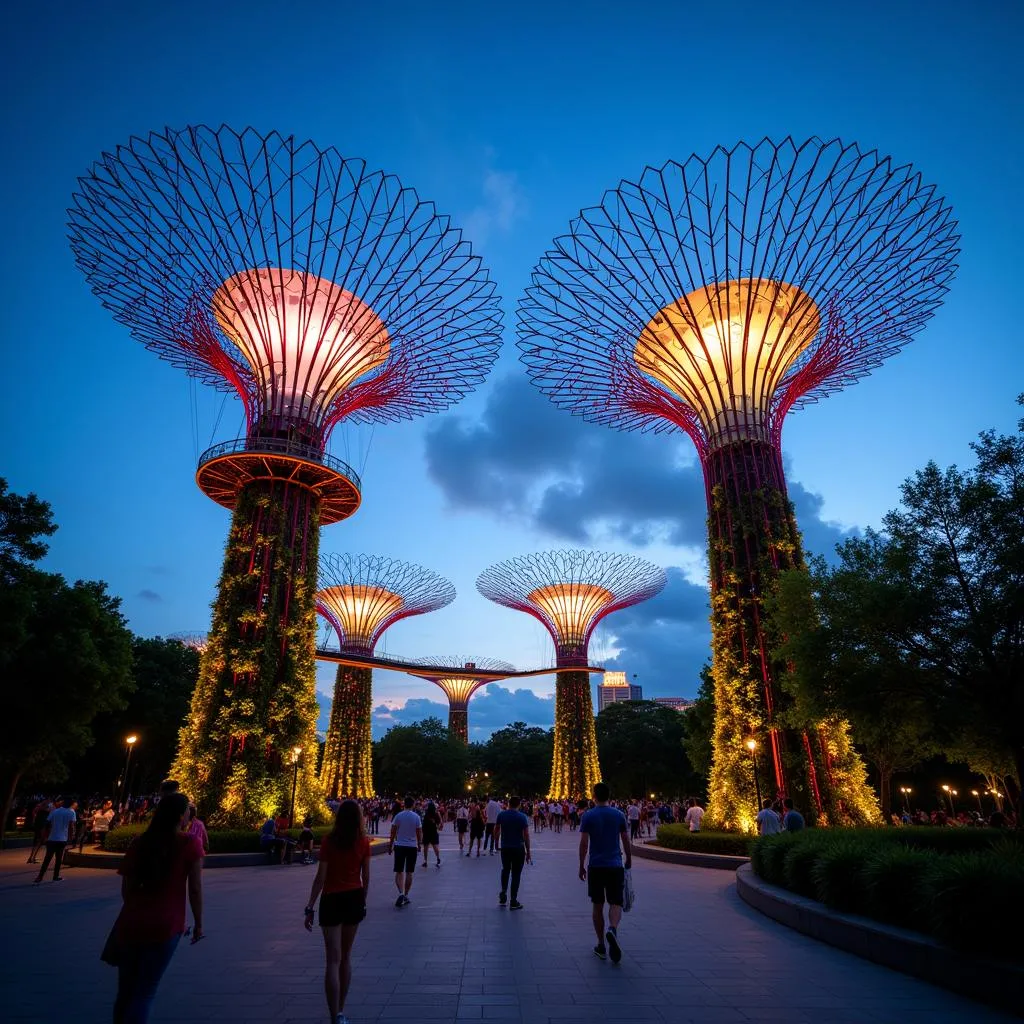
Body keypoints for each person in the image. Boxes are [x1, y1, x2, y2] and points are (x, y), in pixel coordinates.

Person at [107, 792, 203, 1024]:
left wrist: (135, 908)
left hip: (130, 923)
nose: (191, 813)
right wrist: (199, 923)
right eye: (188, 809)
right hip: (165, 924)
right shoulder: (190, 843)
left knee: (125, 992)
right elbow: (195, 889)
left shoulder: (140, 842)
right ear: (181, 815)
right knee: (145, 992)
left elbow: (126, 888)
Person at [304, 799, 371, 1024]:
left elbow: (320, 878)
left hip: (331, 899)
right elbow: (367, 877)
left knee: (332, 960)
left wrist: (309, 906)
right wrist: (363, 900)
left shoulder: (328, 842)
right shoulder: (363, 842)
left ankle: (333, 1015)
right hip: (354, 897)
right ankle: (341, 1011)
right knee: (346, 957)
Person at [578, 782, 631, 964]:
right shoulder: (618, 815)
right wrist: (628, 859)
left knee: (597, 904)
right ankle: (612, 929)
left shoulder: (588, 816)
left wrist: (581, 865)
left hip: (596, 865)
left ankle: (601, 944)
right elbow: (625, 839)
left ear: (594, 796)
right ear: (609, 795)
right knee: (616, 901)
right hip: (615, 864)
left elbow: (584, 843)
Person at [496, 796, 531, 910]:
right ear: (518, 805)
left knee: (505, 869)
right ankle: (513, 900)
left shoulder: (501, 815)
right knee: (516, 874)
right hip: (518, 848)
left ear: (509, 804)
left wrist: (496, 843)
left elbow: (496, 831)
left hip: (505, 847)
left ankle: (503, 892)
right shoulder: (522, 817)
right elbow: (526, 835)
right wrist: (528, 851)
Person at [388, 796, 422, 907]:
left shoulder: (398, 816)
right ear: (412, 805)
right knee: (409, 872)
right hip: (412, 846)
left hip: (400, 846)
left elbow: (393, 831)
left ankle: (401, 893)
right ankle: (406, 895)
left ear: (404, 804)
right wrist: (419, 844)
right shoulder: (416, 817)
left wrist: (390, 844)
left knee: (399, 871)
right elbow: (419, 832)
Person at [34, 797, 77, 884]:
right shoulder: (71, 812)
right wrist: (71, 837)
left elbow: (47, 823)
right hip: (62, 839)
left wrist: (45, 836)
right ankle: (55, 876)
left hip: (52, 838)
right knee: (58, 859)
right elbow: (71, 826)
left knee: (47, 858)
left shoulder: (55, 811)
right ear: (71, 804)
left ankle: (39, 877)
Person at [27, 798, 51, 864]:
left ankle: (32, 857)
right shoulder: (46, 808)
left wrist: (34, 819)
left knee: (37, 841)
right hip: (42, 824)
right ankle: (32, 857)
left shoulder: (39, 806)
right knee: (40, 841)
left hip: (38, 823)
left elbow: (34, 812)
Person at [421, 802, 442, 868]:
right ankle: (438, 858)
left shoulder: (426, 814)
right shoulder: (436, 814)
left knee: (425, 847)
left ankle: (425, 861)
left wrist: (422, 832)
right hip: (434, 832)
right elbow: (439, 823)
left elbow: (423, 825)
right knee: (435, 846)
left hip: (426, 832)